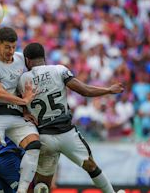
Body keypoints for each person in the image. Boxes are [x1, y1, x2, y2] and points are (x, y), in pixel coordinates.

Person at [19, 43, 124, 193]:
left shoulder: (23, 79)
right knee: (91, 166)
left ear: (27, 60)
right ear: (44, 57)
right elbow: (85, 91)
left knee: (43, 185)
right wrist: (108, 89)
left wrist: (24, 111)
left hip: (43, 137)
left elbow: (17, 102)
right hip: (66, 134)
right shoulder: (58, 70)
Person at [0, 27, 40, 193]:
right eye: (7, 47)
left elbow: (23, 84)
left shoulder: (20, 58)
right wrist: (23, 101)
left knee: (34, 145)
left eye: (13, 47)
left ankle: (22, 190)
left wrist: (25, 109)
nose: (11, 51)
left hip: (17, 114)